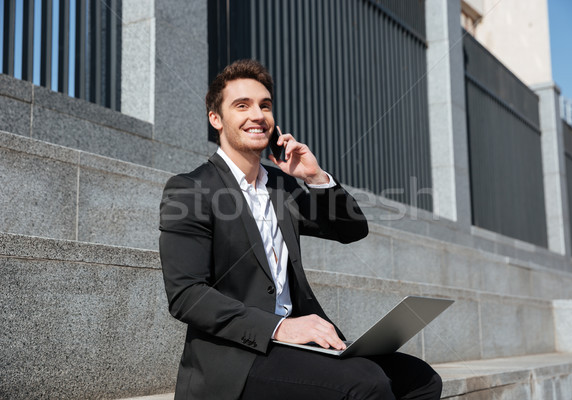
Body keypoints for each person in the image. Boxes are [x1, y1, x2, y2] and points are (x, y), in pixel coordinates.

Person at [159, 59, 442, 400]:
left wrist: (316, 178)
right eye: (242, 105)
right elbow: (187, 296)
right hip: (236, 359)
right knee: (366, 383)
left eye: (265, 105)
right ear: (216, 119)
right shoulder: (190, 189)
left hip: (296, 346)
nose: (258, 115)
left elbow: (351, 229)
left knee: (420, 378)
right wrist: (281, 327)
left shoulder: (280, 185)